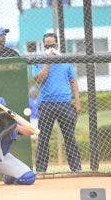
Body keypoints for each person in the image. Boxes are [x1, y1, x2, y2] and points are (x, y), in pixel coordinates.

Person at [34, 32, 82, 173]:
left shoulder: (65, 60)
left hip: (65, 104)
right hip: (46, 104)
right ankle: (41, 171)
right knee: (43, 138)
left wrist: (77, 102)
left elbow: (73, 81)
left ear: (57, 45)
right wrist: (48, 62)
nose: (50, 48)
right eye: (47, 46)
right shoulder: (38, 60)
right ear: (44, 46)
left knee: (70, 138)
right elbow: (38, 79)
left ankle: (76, 169)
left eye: (53, 45)